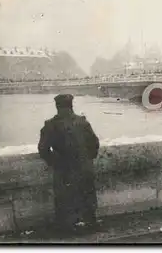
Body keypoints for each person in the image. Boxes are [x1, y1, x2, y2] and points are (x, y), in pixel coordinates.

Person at [38, 94, 100, 234]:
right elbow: (95, 144)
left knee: (64, 200)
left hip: (64, 169)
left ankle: (67, 230)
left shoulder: (51, 125)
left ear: (57, 106)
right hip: (84, 167)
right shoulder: (83, 122)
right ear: (71, 105)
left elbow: (43, 149)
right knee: (87, 197)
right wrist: (87, 159)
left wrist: (55, 162)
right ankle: (90, 225)